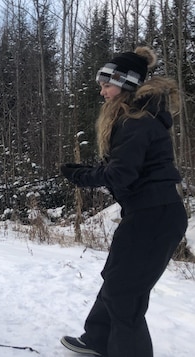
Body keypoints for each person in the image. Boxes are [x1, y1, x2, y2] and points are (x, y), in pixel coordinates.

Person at [59, 46, 187, 357]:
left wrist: (82, 177)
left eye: (106, 85)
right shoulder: (136, 117)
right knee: (116, 280)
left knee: (125, 293)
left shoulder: (137, 121)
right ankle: (97, 341)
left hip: (154, 216)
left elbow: (121, 175)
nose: (102, 92)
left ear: (126, 84)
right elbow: (124, 169)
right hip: (148, 214)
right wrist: (86, 172)